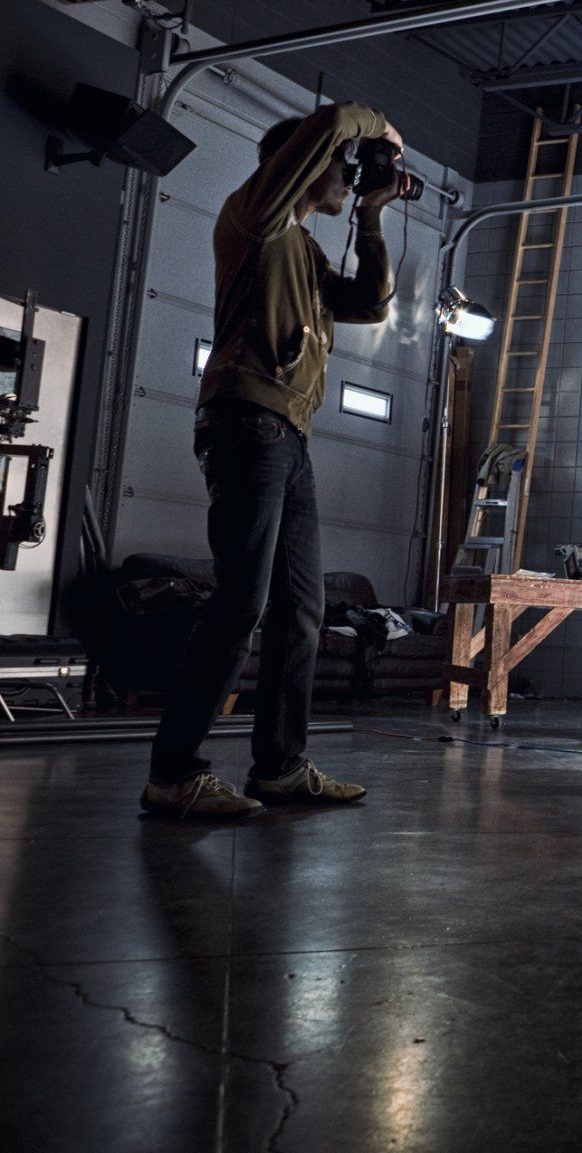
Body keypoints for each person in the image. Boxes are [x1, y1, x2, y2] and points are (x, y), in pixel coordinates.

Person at [142, 103, 409, 820]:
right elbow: (324, 130)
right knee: (241, 604)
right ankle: (173, 774)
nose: (350, 180)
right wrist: (373, 126)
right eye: (343, 169)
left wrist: (373, 219)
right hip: (246, 422)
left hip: (289, 435)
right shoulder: (254, 217)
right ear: (299, 162)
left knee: (302, 611)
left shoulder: (306, 250)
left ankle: (281, 768)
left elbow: (371, 305)